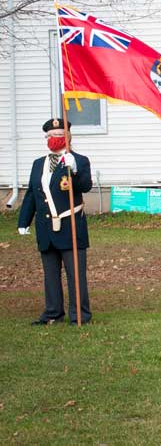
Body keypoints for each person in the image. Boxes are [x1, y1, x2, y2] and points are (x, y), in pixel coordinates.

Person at [17, 118, 93, 325]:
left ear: (67, 137)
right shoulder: (38, 164)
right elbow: (32, 194)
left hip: (70, 226)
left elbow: (85, 186)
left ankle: (80, 315)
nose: (53, 138)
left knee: (75, 275)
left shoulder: (79, 160)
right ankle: (53, 313)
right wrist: (23, 221)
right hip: (46, 227)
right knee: (50, 275)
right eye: (50, 136)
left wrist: (74, 170)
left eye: (58, 135)